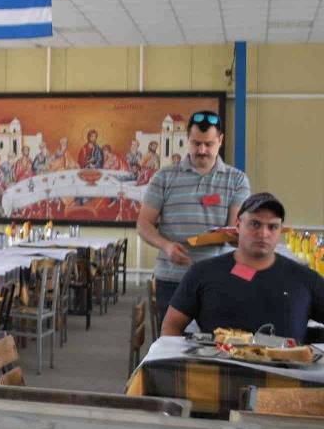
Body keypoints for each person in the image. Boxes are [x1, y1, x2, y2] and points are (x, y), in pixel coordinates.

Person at [136, 111, 251, 323]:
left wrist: (242, 236)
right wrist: (167, 246)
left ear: (220, 140)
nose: (202, 150)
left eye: (209, 144)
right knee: (171, 340)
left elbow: (235, 231)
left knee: (217, 339)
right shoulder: (163, 177)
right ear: (188, 139)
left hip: (217, 279)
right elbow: (143, 224)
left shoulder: (237, 180)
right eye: (196, 143)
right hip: (172, 279)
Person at [162, 193, 324, 342]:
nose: (263, 233)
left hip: (286, 364)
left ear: (280, 230)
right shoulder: (203, 273)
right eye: (255, 224)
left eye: (272, 227)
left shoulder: (305, 279)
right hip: (217, 363)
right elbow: (171, 327)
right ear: (238, 225)